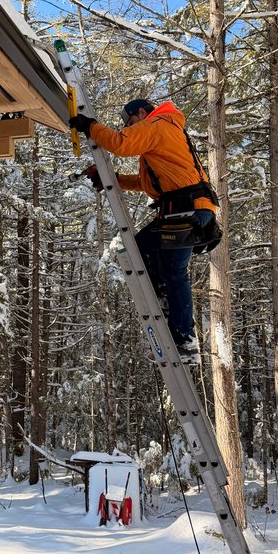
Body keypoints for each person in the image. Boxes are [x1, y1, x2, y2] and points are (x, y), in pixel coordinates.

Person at [70, 97, 220, 364]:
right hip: (184, 207)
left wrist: (90, 126)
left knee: (173, 269)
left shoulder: (159, 123)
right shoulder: (166, 130)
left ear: (140, 112)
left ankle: (185, 341)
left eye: (130, 122)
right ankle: (165, 300)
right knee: (143, 250)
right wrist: (112, 180)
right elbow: (147, 183)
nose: (129, 127)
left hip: (187, 207)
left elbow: (121, 143)